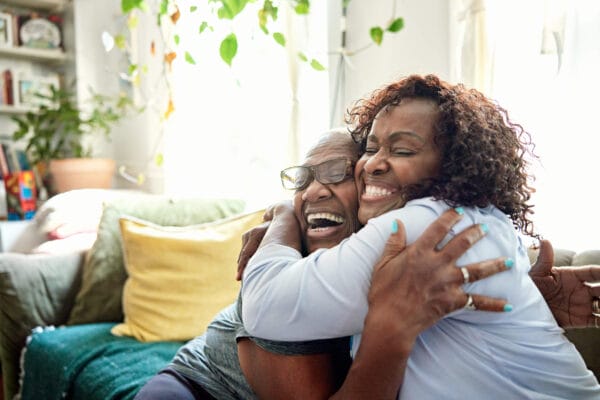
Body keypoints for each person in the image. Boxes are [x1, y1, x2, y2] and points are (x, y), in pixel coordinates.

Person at [241, 74, 600, 398]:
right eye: (370, 148)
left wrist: (284, 215)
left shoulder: (421, 227)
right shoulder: (479, 222)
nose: (373, 164)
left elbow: (264, 305)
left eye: (402, 151)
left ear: (452, 167)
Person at [135, 130, 514, 400]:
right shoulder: (280, 279)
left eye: (337, 173)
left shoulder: (403, 247)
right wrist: (283, 214)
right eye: (304, 180)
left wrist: (532, 290)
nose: (314, 191)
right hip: (197, 389)